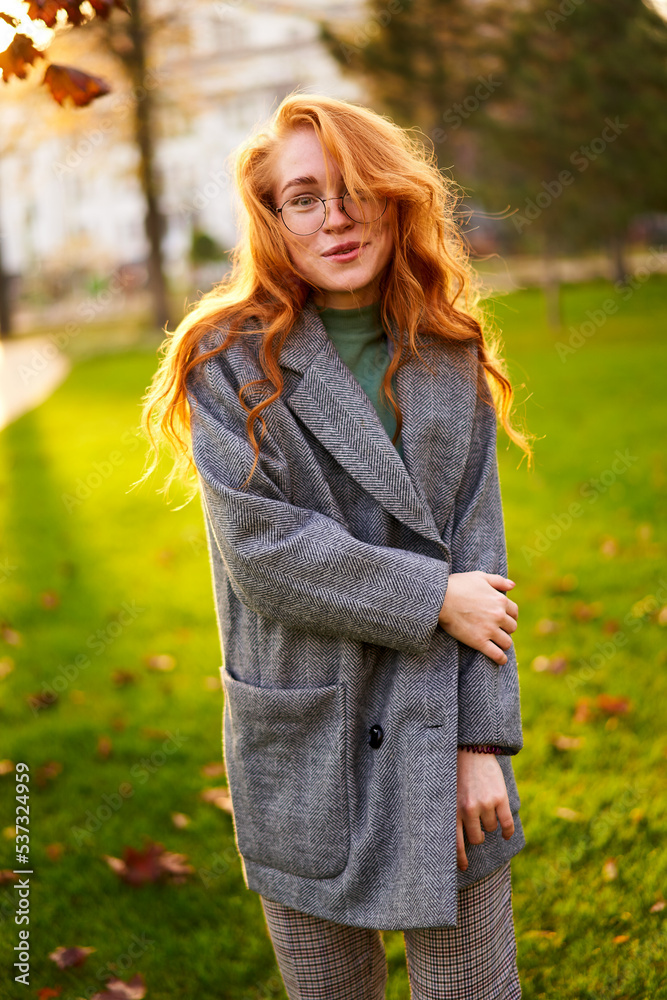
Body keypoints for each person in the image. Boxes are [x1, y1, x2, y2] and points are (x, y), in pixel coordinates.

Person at [141, 94, 534, 1000]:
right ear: (273, 220)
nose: (338, 216)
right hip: (304, 730)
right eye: (306, 197)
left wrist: (483, 745)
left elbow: (485, 556)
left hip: (440, 724)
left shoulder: (450, 351)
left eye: (356, 189)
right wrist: (433, 596)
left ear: (395, 199)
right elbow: (264, 549)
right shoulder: (227, 359)